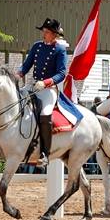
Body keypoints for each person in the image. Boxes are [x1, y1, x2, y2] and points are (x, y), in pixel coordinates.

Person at [18, 17, 68, 167]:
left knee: (45, 115)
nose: (43, 34)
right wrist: (18, 73)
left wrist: (46, 82)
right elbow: (26, 65)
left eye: (46, 32)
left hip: (48, 89)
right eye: (43, 31)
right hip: (33, 86)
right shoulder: (37, 46)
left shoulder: (60, 50)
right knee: (15, 103)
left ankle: (45, 153)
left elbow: (62, 73)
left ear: (54, 34)